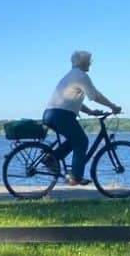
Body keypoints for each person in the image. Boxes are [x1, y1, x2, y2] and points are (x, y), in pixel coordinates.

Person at [43, 50, 122, 186]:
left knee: (74, 140)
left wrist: (90, 112)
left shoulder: (69, 76)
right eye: (89, 63)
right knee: (82, 142)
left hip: (51, 114)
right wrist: (112, 106)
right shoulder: (81, 76)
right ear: (84, 63)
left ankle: (52, 159)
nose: (90, 66)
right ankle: (75, 177)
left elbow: (73, 100)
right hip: (62, 115)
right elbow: (95, 95)